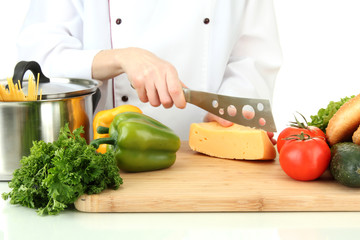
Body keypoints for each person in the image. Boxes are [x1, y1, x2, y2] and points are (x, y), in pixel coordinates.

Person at [17, 0, 282, 140]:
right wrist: (121, 58)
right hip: (104, 158)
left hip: (209, 167)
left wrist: (231, 107)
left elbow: (254, 57)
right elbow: (39, 60)